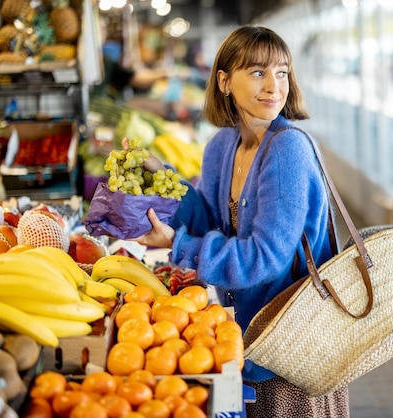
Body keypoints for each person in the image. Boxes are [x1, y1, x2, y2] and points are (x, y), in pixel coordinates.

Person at [127, 25, 350, 417]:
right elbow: (210, 221)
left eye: (282, 72)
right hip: (242, 341)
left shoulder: (288, 151)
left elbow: (265, 257)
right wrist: (161, 178)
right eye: (258, 72)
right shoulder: (221, 147)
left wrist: (179, 247)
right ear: (225, 81)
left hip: (291, 352)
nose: (274, 86)